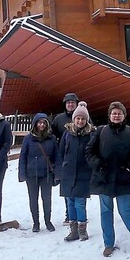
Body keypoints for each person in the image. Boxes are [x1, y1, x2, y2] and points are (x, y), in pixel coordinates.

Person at [85, 101, 130, 257]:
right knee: (106, 212)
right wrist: (98, 164)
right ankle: (108, 243)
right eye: (114, 113)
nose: (116, 116)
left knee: (126, 211)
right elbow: (89, 151)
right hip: (104, 178)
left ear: (124, 116)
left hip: (123, 177)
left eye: (119, 113)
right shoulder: (101, 131)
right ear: (110, 115)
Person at [58, 101, 95, 242]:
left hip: (83, 174)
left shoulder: (90, 135)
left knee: (80, 203)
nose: (80, 121)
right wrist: (60, 170)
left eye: (83, 119)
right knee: (70, 202)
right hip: (68, 174)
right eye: (78, 118)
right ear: (74, 119)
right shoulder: (67, 134)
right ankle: (73, 230)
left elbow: (92, 154)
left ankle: (82, 229)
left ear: (86, 120)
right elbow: (61, 153)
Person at [18, 113, 58, 232]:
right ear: (35, 124)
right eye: (39, 122)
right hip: (32, 174)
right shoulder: (28, 139)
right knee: (33, 199)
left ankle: (48, 221)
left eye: (44, 123)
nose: (42, 125)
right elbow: (23, 157)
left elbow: (57, 157)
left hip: (46, 174)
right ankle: (36, 223)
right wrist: (22, 174)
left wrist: (57, 173)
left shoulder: (52, 139)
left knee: (47, 199)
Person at [51, 92, 78, 223]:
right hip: (63, 157)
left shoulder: (82, 116)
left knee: (78, 187)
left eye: (73, 102)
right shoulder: (58, 119)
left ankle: (79, 213)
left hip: (78, 157)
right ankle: (69, 213)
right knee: (66, 187)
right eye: (68, 103)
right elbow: (51, 136)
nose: (70, 105)